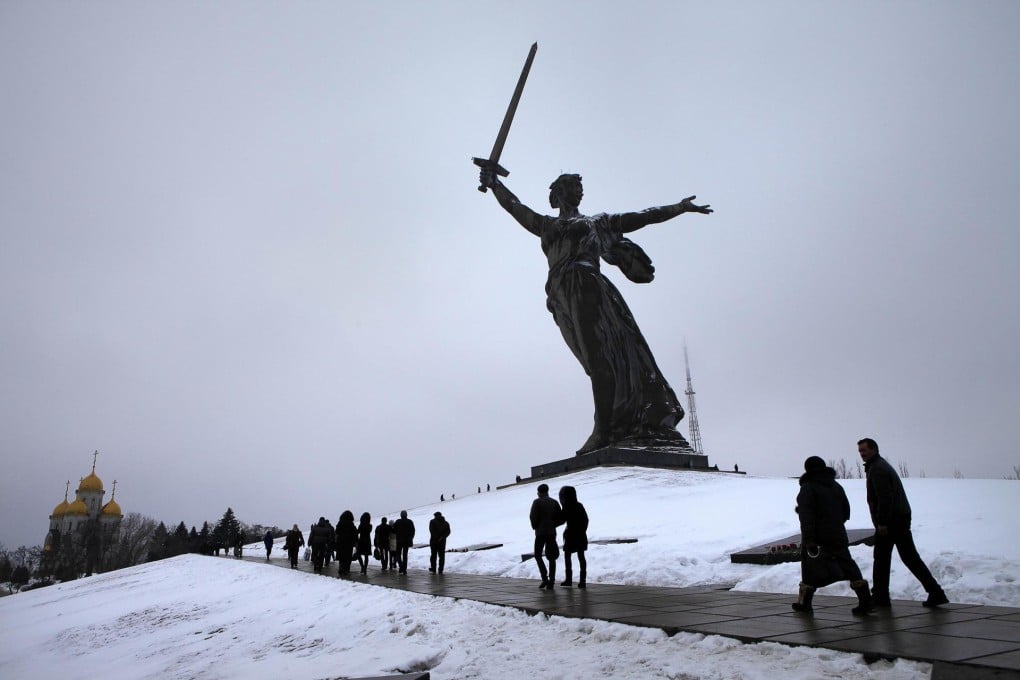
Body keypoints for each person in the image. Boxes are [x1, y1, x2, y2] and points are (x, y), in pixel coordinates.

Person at [479, 168, 711, 454]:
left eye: (580, 188)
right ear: (559, 193)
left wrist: (678, 208)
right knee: (592, 362)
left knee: (598, 357)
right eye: (573, 187)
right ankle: (610, 424)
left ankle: (603, 430)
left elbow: (641, 217)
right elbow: (515, 207)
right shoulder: (546, 225)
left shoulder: (596, 223)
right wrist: (494, 184)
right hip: (560, 294)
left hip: (587, 286)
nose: (579, 192)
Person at [858, 437, 948, 607]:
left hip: (892, 521)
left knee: (883, 558)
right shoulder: (879, 466)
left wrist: (882, 522)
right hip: (900, 517)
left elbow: (885, 497)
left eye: (865, 450)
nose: (862, 454)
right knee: (907, 557)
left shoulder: (877, 469)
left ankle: (880, 596)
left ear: (874, 449)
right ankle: (935, 592)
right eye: (860, 451)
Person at [791, 456, 872, 615]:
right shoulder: (836, 486)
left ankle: (805, 603)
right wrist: (834, 522)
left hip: (817, 536)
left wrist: (809, 539)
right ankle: (865, 600)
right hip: (838, 533)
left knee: (809, 566)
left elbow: (807, 517)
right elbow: (846, 512)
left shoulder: (808, 488)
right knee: (847, 564)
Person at [530, 483, 563, 589]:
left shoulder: (537, 502)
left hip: (540, 533)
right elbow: (560, 518)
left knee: (538, 555)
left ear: (539, 492)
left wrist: (535, 526)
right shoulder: (554, 502)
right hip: (551, 533)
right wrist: (553, 525)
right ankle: (551, 581)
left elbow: (533, 517)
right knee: (552, 557)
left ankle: (545, 578)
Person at [558, 485, 589, 588]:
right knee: (581, 557)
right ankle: (582, 581)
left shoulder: (567, 506)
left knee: (568, 557)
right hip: (580, 535)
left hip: (571, 535)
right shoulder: (579, 505)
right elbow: (586, 520)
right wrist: (582, 530)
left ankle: (569, 579)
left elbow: (561, 520)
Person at [335, 510, 358, 576]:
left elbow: (337, 532)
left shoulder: (340, 522)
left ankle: (341, 568)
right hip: (349, 542)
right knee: (348, 557)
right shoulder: (351, 523)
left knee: (341, 556)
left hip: (341, 542)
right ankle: (346, 570)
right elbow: (355, 533)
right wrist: (355, 541)